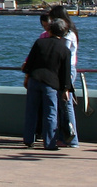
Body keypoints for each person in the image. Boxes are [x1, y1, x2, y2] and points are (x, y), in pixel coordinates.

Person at [22, 18, 75, 150]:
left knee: (31, 111)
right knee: (50, 113)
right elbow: (65, 73)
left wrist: (27, 77)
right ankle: (50, 143)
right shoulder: (65, 50)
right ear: (63, 33)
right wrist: (65, 89)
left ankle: (29, 139)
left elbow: (30, 63)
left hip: (35, 80)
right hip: (51, 84)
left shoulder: (40, 43)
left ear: (50, 30)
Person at [47, 4, 81, 148]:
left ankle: (72, 139)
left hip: (66, 69)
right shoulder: (70, 32)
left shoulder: (68, 35)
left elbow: (64, 53)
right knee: (63, 105)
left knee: (66, 104)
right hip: (65, 68)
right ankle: (64, 137)